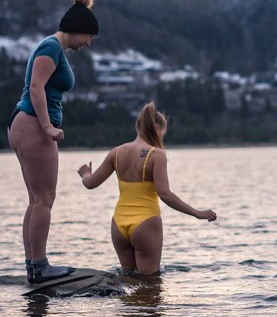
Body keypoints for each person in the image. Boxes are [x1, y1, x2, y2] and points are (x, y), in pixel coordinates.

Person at [8, 0, 99, 283]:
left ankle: (34, 267)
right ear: (78, 30)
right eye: (90, 37)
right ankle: (41, 266)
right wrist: (47, 127)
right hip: (33, 124)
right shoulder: (51, 48)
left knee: (36, 200)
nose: (89, 43)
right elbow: (36, 88)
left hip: (25, 124)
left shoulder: (52, 47)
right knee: (45, 199)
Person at [77, 102, 217, 276]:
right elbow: (164, 194)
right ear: (157, 128)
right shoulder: (156, 155)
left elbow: (90, 183)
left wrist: (85, 174)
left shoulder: (117, 152)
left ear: (138, 127)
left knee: (128, 280)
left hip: (119, 224)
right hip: (145, 222)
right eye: (163, 133)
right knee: (150, 284)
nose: (162, 138)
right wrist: (196, 212)